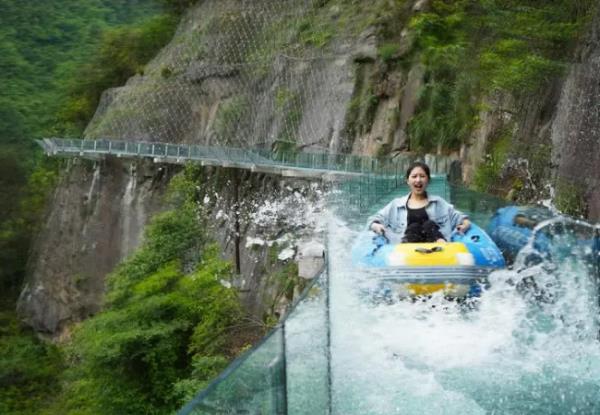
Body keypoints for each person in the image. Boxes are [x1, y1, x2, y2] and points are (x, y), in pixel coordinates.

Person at [367, 161, 470, 244]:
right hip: (409, 245)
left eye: (422, 176)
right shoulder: (396, 205)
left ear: (428, 180)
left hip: (434, 244)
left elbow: (460, 218)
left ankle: (441, 243)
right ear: (408, 180)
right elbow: (373, 220)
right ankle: (406, 245)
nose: (418, 180)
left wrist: (465, 225)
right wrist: (376, 226)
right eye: (414, 176)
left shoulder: (438, 203)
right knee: (414, 227)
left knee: (429, 224)